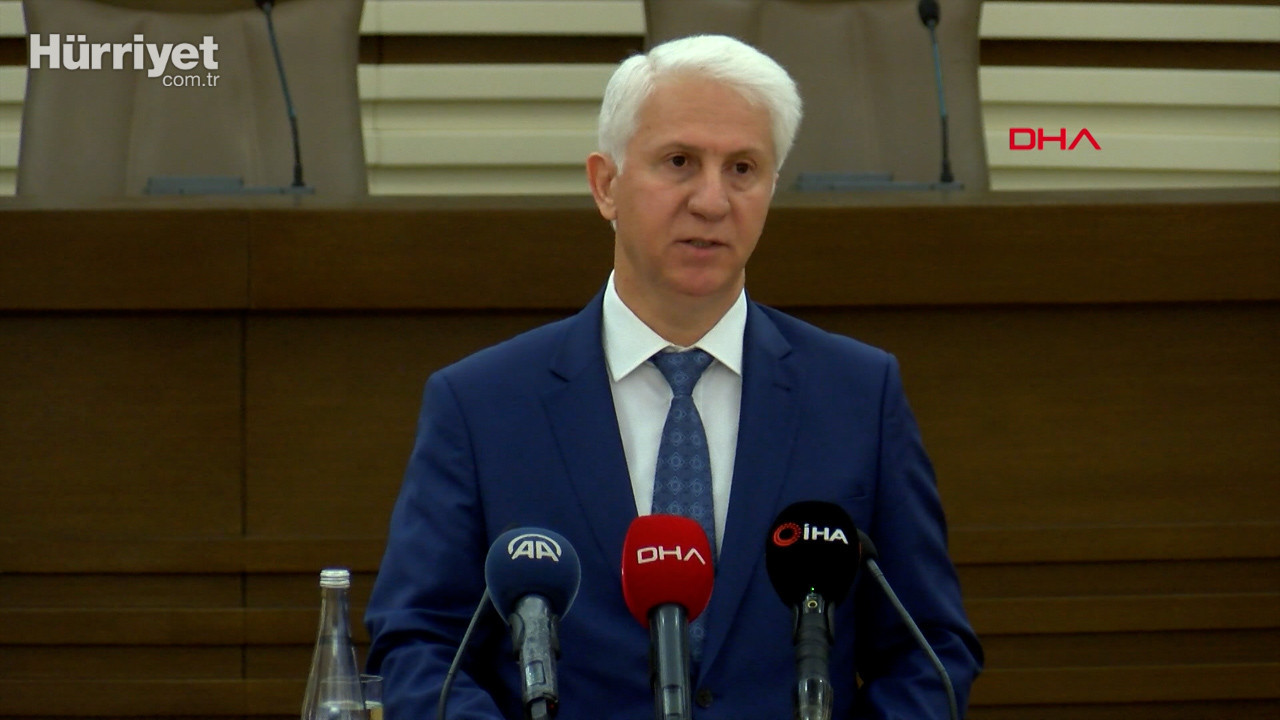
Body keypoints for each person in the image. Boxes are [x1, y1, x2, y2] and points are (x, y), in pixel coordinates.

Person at [365, 34, 982, 719]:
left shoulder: (857, 395)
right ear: (606, 184)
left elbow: (928, 654)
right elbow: (420, 646)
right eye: (680, 162)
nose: (712, 201)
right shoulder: (482, 404)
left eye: (743, 168)